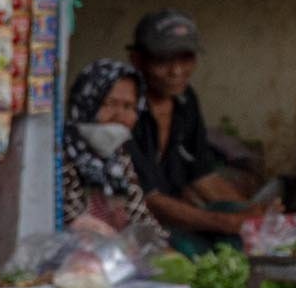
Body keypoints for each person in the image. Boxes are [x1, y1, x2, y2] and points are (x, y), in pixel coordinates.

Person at [127, 12, 264, 241]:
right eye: (163, 60)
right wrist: (226, 223)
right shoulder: (126, 108)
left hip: (170, 219)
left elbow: (202, 176)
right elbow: (147, 197)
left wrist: (253, 214)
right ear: (137, 60)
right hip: (129, 228)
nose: (176, 71)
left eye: (186, 58)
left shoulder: (185, 100)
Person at [60, 55, 147, 233]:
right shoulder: (62, 153)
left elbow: (141, 218)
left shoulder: (119, 157)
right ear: (86, 103)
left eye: (129, 106)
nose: (119, 115)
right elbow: (71, 223)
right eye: (110, 103)